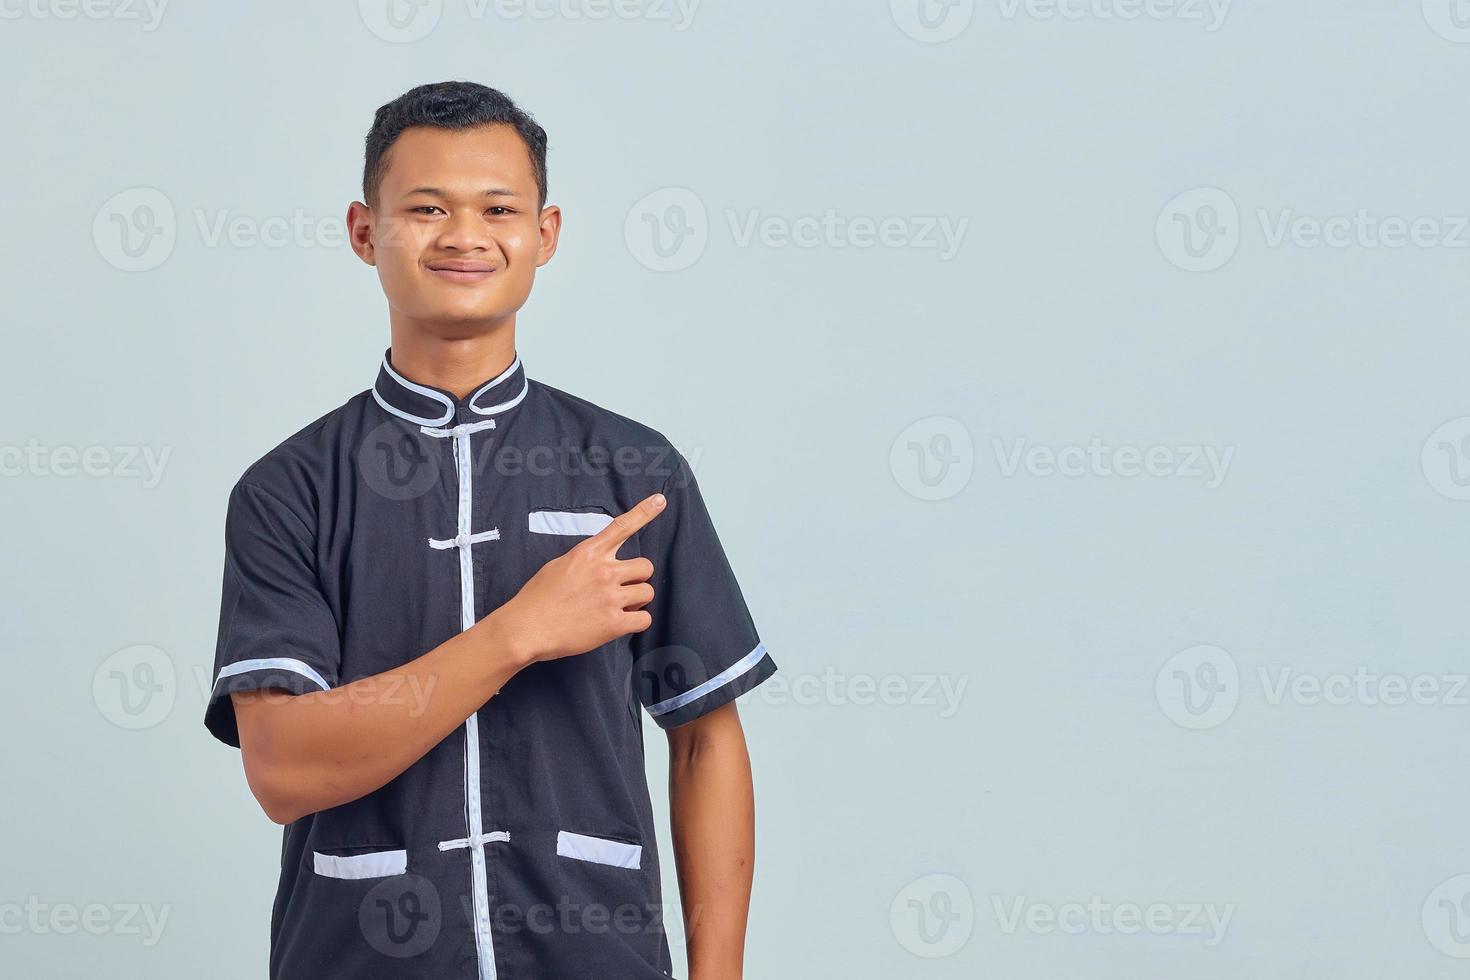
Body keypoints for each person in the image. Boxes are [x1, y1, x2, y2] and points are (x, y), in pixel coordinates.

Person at [203, 80, 777, 980]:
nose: (465, 235)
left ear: (544, 235)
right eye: (426, 208)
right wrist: (518, 633)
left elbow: (706, 736)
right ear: (365, 231)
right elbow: (282, 767)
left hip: (593, 953)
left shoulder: (637, 472)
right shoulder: (291, 490)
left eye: (499, 208)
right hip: (360, 955)